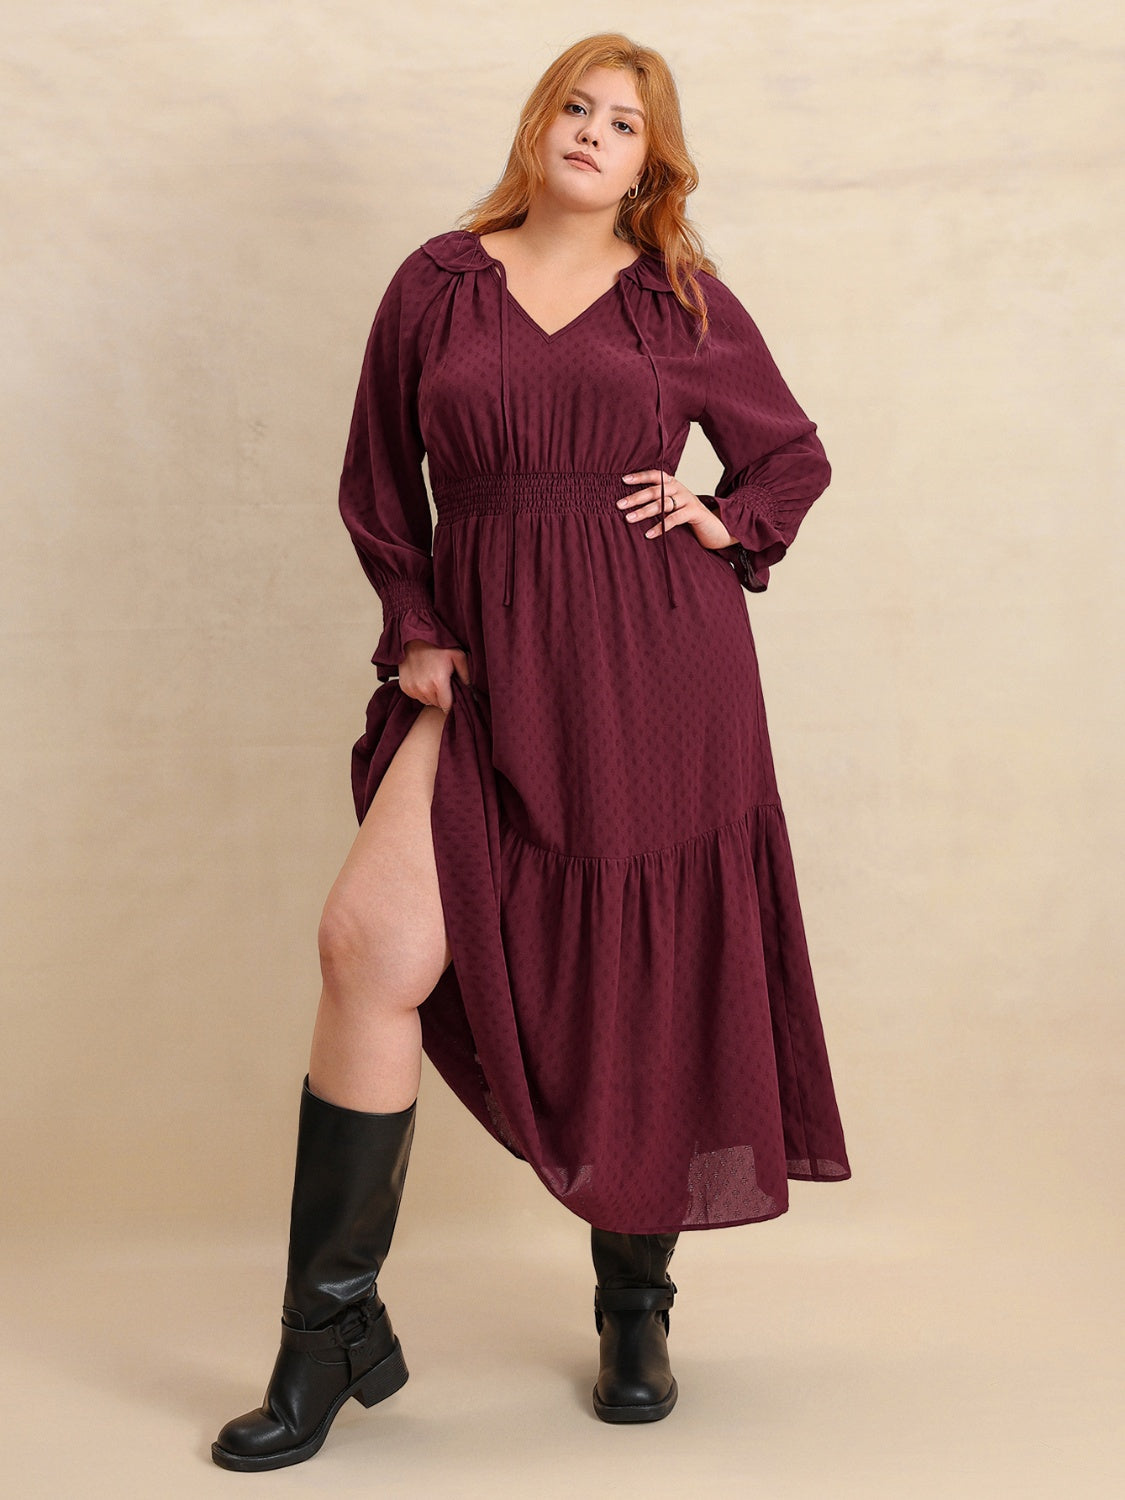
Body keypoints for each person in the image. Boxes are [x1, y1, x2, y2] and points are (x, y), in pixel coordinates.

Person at [211, 31, 851, 1472]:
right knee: (368, 945)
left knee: (639, 970)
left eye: (624, 123)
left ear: (649, 164)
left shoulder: (677, 301)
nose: (592, 131)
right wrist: (415, 623)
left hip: (655, 672)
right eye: (576, 105)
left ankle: (635, 1301)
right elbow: (380, 480)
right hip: (484, 665)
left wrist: (723, 519)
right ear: (538, 121)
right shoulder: (437, 284)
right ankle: (326, 1333)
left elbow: (789, 457)